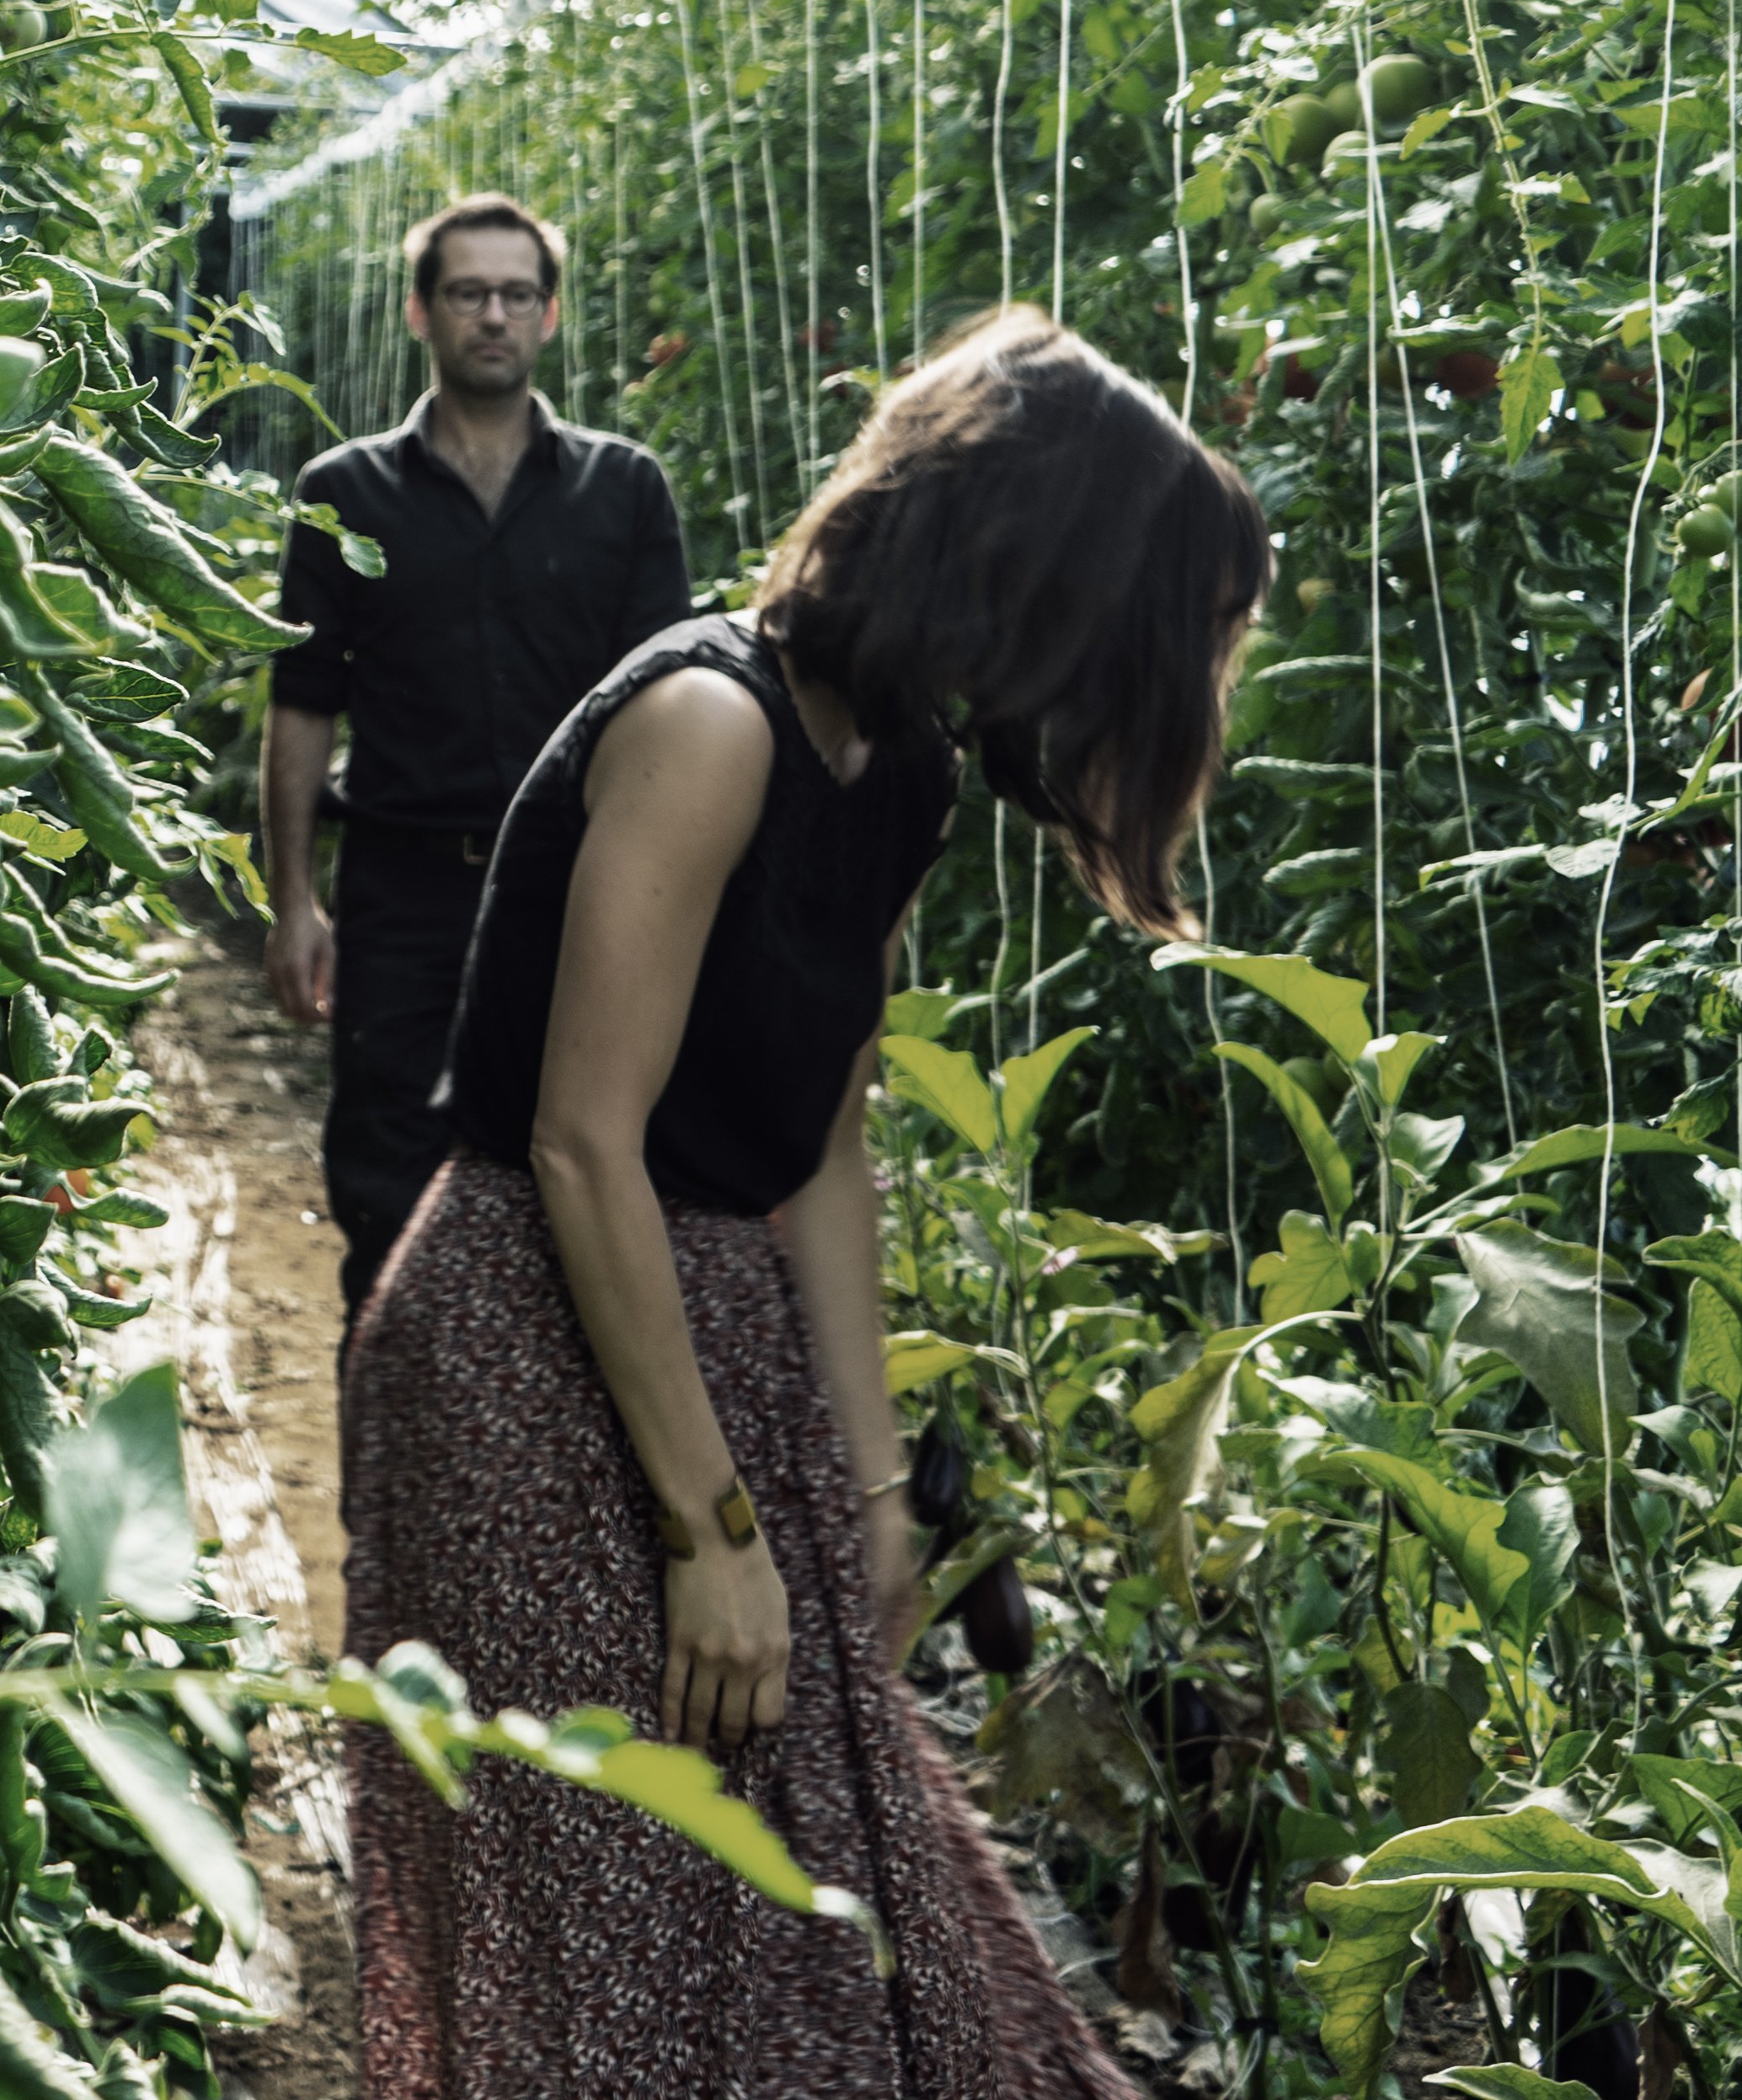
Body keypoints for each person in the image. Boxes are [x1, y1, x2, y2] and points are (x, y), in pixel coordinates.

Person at [344, 309, 1270, 2100]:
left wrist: (859, 1489)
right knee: (614, 1882)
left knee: (828, 1893)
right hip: (534, 1329)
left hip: (706, 1322)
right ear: (1024, 565)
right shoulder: (708, 720)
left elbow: (826, 1139)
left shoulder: (897, 769)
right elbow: (581, 1143)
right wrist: (715, 1532)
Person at [261, 192, 691, 1314]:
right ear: (422, 312)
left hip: (577, 897)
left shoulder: (623, 492)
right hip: (404, 894)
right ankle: (395, 1467)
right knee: (387, 1188)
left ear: (549, 316)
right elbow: (302, 705)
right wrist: (294, 902)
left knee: (578, 1174)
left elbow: (670, 714)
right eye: (467, 294)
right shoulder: (345, 496)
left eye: (514, 294)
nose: (491, 315)